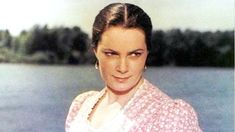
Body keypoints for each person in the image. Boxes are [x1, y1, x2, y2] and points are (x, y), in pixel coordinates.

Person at [65, 3, 202, 132]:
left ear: (147, 54)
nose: (123, 68)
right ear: (95, 51)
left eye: (135, 54)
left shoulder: (170, 116)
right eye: (111, 54)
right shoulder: (82, 105)